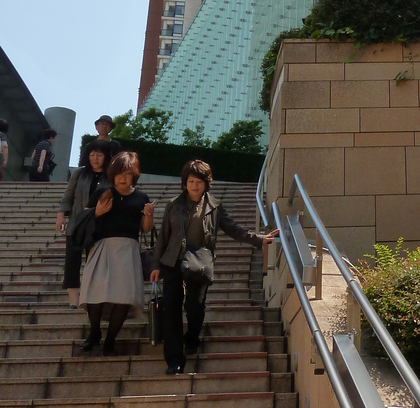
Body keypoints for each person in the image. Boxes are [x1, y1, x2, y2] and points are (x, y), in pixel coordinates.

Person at [150, 159, 278, 375]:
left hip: (199, 263)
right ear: (185, 182)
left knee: (194, 306)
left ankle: (192, 337)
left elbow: (233, 228)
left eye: (199, 181)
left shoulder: (214, 207)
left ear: (206, 183)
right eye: (191, 181)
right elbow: (163, 238)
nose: (194, 185)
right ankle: (174, 360)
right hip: (173, 262)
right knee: (171, 310)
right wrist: (156, 265)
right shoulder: (174, 204)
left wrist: (258, 238)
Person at [78, 150, 153, 355]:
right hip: (102, 246)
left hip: (128, 249)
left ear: (134, 175)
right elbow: (82, 218)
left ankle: (110, 341)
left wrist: (149, 216)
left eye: (127, 174)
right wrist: (97, 211)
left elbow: (145, 229)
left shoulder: (141, 197)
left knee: (123, 298)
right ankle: (94, 333)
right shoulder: (103, 192)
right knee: (94, 293)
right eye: (119, 173)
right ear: (112, 174)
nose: (122, 178)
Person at [56, 138, 114, 308]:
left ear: (106, 157)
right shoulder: (79, 173)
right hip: (76, 224)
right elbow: (68, 196)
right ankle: (74, 301)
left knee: (95, 263)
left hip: (99, 226)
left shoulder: (111, 176)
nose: (95, 158)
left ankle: (92, 297)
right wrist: (61, 215)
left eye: (99, 155)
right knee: (72, 264)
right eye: (92, 154)